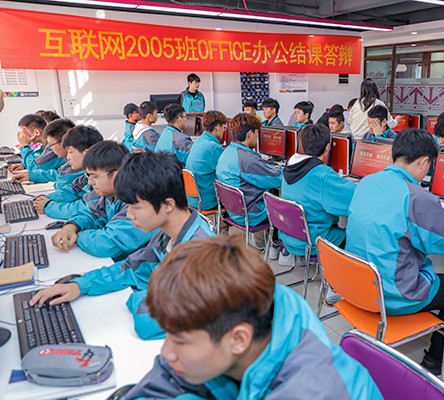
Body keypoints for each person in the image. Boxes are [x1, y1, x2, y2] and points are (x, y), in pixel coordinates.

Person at [123, 236, 383, 399]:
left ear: (239, 339)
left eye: (179, 340)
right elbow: (163, 384)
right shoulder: (234, 315)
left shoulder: (313, 390)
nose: (166, 352)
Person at [30, 152, 215, 340]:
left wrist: (141, 294)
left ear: (167, 204)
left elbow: (149, 320)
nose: (129, 215)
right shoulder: (169, 233)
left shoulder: (200, 254)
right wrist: (80, 285)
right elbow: (133, 267)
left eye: (136, 207)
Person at [345, 129, 444, 375]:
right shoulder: (416, 197)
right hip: (393, 293)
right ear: (424, 162)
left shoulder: (367, 182)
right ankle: (436, 359)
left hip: (358, 285)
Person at [50, 141, 155, 260]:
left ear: (117, 173)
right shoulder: (110, 196)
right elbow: (92, 213)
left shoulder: (138, 201)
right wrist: (71, 227)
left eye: (95, 176)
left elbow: (107, 243)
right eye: (88, 176)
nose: (90, 182)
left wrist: (77, 236)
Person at [280, 124, 355, 258]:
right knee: (355, 235)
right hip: (313, 241)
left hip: (289, 235)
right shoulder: (323, 176)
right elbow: (355, 199)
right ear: (327, 147)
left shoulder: (289, 167)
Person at [216, 113, 282, 228]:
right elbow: (276, 180)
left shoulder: (228, 152)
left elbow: (256, 172)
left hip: (233, 210)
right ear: (250, 134)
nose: (257, 137)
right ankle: (274, 239)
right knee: (285, 205)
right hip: (251, 215)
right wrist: (281, 170)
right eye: (257, 133)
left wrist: (267, 168)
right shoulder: (247, 160)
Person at [35, 125, 104, 219]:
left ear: (86, 153)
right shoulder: (86, 176)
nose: (67, 157)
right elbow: (72, 190)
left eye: (70, 152)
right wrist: (47, 199)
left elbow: (85, 208)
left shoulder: (102, 179)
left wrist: (48, 206)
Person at [185, 111, 227, 211]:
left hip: (192, 199)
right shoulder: (214, 148)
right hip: (207, 201)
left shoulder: (199, 141)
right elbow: (228, 172)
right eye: (224, 127)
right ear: (217, 127)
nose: (224, 130)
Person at [12, 118, 73, 184]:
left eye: (51, 145)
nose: (51, 148)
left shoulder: (74, 160)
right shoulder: (49, 146)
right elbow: (59, 174)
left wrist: (25, 146)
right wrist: (24, 165)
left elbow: (35, 168)